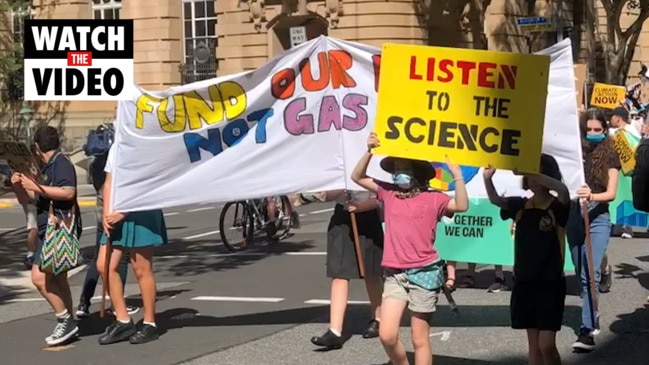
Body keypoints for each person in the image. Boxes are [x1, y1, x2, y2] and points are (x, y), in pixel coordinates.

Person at [351, 132, 468, 365]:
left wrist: (457, 175)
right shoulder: (388, 192)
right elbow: (357, 176)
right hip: (395, 275)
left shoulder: (435, 198)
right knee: (387, 334)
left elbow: (462, 205)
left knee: (419, 338)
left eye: (403, 168)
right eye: (395, 168)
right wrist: (369, 150)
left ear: (417, 173)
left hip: (424, 274)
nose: (397, 173)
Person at [485, 155, 569, 365]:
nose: (533, 179)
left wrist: (530, 171)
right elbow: (496, 200)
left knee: (546, 344)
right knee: (534, 348)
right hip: (525, 283)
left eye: (538, 173)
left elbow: (563, 190)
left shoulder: (557, 206)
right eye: (530, 174)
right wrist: (487, 179)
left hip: (550, 284)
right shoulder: (520, 206)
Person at [11, 126, 81, 346]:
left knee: (39, 278)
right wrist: (19, 186)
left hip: (56, 228)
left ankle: (64, 320)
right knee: (58, 277)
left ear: (38, 147)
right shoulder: (48, 166)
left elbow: (68, 192)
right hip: (47, 228)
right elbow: (32, 198)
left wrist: (37, 187)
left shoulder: (61, 163)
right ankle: (70, 322)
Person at [96, 145, 168, 345]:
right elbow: (109, 181)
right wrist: (107, 214)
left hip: (142, 209)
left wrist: (123, 212)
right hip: (118, 210)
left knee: (141, 268)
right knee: (104, 265)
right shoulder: (117, 145)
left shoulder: (145, 143)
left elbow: (150, 183)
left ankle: (150, 322)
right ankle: (123, 319)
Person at [568, 108, 620, 352]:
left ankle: (586, 330)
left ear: (605, 129)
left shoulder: (610, 152)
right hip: (574, 217)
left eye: (597, 130)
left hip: (598, 217)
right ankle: (593, 312)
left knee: (590, 275)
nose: (592, 133)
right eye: (588, 129)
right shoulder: (575, 152)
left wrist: (592, 195)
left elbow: (611, 193)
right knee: (581, 273)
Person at [310, 189, 384, 350]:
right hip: (342, 217)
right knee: (339, 272)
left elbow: (383, 195)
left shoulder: (374, 164)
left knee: (371, 272)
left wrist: (364, 206)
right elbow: (327, 196)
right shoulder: (338, 165)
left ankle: (378, 318)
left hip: (368, 216)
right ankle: (335, 331)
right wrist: (334, 192)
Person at [76, 134, 139, 318]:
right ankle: (116, 302)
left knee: (100, 259)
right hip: (113, 210)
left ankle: (84, 302)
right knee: (120, 260)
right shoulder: (118, 154)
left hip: (103, 210)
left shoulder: (96, 162)